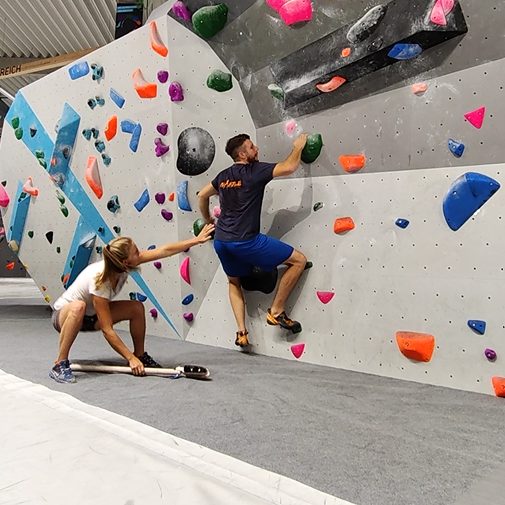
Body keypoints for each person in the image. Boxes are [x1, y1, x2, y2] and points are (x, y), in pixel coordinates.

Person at [49, 224, 215, 383]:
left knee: (136, 308)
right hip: (64, 317)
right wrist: (129, 358)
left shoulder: (121, 264)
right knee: (79, 306)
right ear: (125, 262)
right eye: (136, 252)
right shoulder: (100, 281)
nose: (140, 253)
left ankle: (141, 354)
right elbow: (107, 330)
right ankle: (60, 363)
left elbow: (164, 251)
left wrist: (196, 240)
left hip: (90, 317)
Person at [197, 133, 308, 348]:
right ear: (242, 154)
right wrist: (298, 146)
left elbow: (202, 195)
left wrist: (208, 219)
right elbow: (289, 167)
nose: (256, 149)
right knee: (299, 261)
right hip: (245, 241)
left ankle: (241, 333)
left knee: (233, 282)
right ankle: (276, 311)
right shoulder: (254, 171)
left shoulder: (223, 175)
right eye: (251, 147)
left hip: (222, 241)